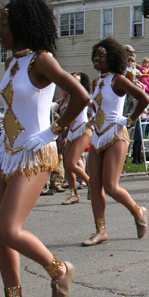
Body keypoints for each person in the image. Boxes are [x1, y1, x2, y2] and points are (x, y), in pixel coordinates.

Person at [0, 0, 89, 297]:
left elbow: (81, 96)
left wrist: (52, 131)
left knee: (8, 229)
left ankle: (59, 269)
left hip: (35, 154)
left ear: (20, 26)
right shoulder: (13, 63)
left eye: (3, 24)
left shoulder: (41, 61)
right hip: (7, 153)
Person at [82, 37, 149, 246]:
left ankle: (138, 212)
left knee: (110, 186)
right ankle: (100, 231)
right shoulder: (97, 82)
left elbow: (144, 99)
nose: (96, 58)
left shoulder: (118, 79)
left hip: (116, 134)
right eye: (95, 55)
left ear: (111, 58)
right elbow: (98, 105)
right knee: (94, 186)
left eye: (101, 55)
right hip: (98, 135)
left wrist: (129, 119)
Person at [60, 72, 92, 205]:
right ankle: (74, 195)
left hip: (83, 130)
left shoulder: (84, 96)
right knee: (67, 165)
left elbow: (98, 110)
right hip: (72, 132)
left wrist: (91, 123)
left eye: (75, 80)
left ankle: (91, 184)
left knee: (72, 163)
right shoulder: (69, 97)